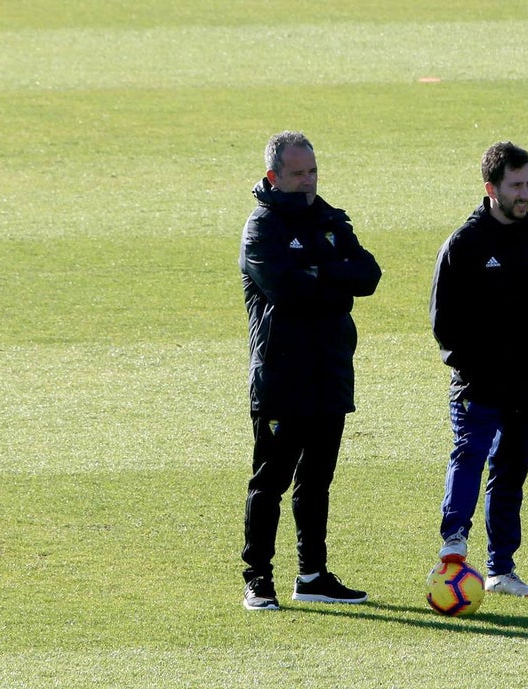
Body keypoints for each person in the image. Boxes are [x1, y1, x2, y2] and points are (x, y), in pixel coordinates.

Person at [238, 131, 382, 611]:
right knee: (269, 482)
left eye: (313, 171)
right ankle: (257, 578)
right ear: (274, 176)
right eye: (298, 173)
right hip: (281, 376)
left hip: (330, 371)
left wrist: (321, 274)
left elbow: (368, 275)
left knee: (317, 481)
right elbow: (287, 289)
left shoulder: (330, 219)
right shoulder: (262, 229)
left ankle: (313, 575)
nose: (307, 181)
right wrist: (330, 276)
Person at [429, 141, 528, 598]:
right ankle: (454, 541)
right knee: (470, 457)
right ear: (490, 187)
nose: (526, 194)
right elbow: (444, 323)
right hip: (480, 383)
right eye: (517, 185)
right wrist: (472, 367)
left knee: (510, 474)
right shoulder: (465, 244)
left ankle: (500, 569)